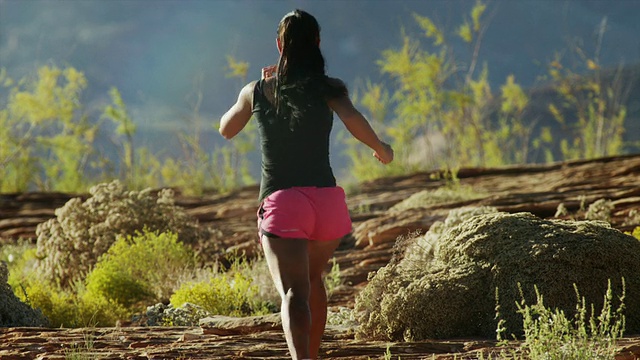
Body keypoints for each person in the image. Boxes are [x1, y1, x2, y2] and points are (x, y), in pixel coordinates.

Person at [219, 9, 393, 360]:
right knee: (314, 283)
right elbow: (353, 118)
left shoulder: (257, 90)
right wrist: (381, 149)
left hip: (285, 204)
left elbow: (226, 128)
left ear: (279, 44)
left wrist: (255, 93)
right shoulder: (330, 88)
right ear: (317, 43)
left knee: (293, 295)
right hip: (328, 205)